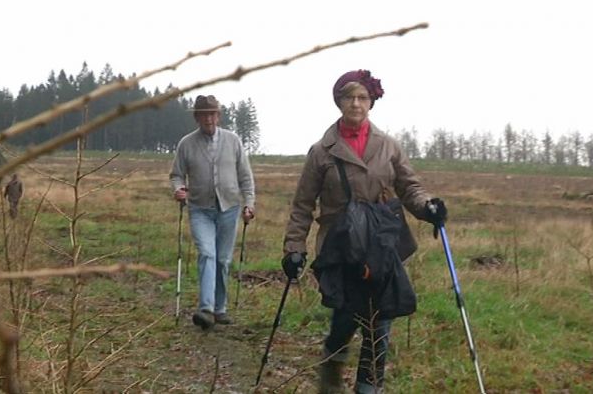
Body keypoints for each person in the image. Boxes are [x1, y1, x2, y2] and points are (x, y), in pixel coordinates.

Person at [281, 70, 448, 394]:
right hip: (339, 246)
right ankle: (332, 360)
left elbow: (410, 187)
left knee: (380, 319)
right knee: (345, 316)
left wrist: (428, 207)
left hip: (381, 244)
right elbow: (303, 204)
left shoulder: (389, 147)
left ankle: (367, 387)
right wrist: (294, 248)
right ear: (339, 102)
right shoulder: (322, 151)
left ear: (371, 102)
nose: (356, 104)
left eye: (362, 98)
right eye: (349, 97)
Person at [170, 95, 256, 330]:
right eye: (203, 114)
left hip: (229, 208)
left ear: (218, 116)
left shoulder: (233, 141)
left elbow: (245, 177)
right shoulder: (186, 144)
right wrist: (179, 189)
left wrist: (249, 204)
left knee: (223, 259)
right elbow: (177, 174)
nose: (208, 118)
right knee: (207, 253)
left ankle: (220, 309)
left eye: (212, 114)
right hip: (200, 209)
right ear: (197, 117)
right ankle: (206, 309)